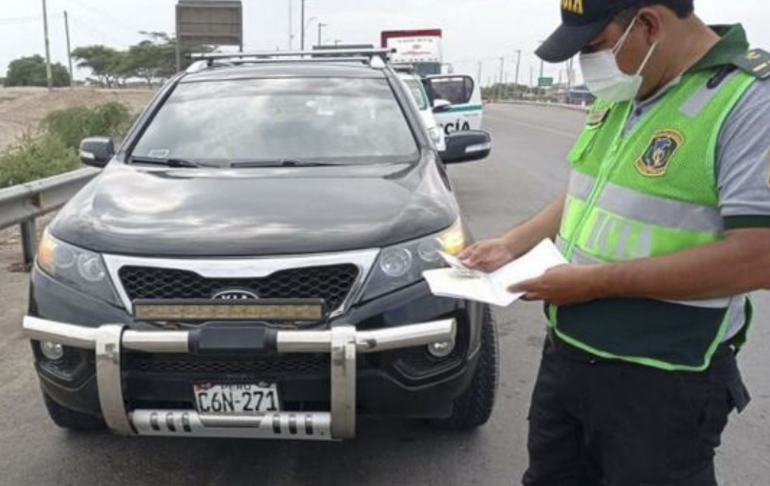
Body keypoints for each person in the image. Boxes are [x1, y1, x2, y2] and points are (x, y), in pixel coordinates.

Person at [459, 0, 770, 484]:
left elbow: (759, 258)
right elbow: (589, 188)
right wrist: (512, 244)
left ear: (648, 24)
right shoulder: (629, 86)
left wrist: (595, 283)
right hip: (568, 357)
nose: (588, 64)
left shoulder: (750, 100)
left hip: (663, 381)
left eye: (595, 46)